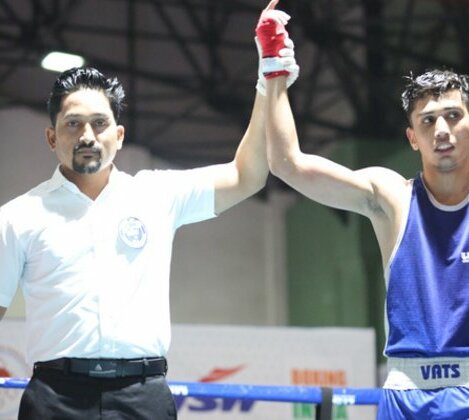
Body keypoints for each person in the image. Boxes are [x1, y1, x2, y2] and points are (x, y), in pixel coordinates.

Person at [257, 8, 469, 419]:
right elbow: (286, 164)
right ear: (413, 138)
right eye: (428, 121)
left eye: (452, 116)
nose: (442, 130)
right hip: (405, 397)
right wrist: (274, 67)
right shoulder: (389, 196)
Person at [0, 3, 298, 418]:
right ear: (51, 137)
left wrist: (269, 78)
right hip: (54, 398)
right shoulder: (17, 217)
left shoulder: (157, 194)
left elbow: (247, 175)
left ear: (119, 136)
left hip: (143, 396)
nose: (87, 135)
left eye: (100, 124)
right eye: (73, 124)